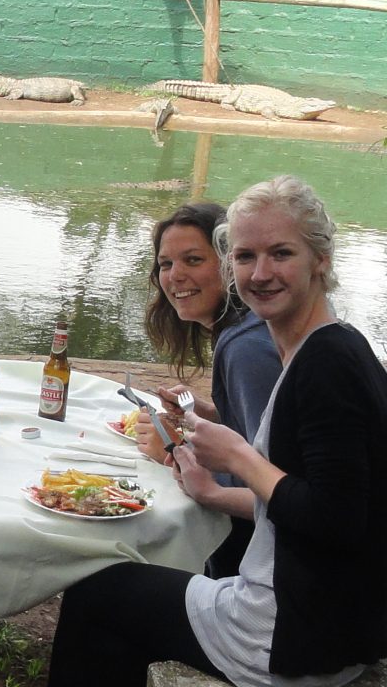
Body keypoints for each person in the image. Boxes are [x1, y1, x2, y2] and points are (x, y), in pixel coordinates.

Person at [49, 175, 387, 686]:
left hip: (296, 634)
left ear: (321, 259)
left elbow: (337, 518)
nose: (261, 273)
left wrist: (235, 461)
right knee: (117, 597)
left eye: (281, 254)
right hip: (334, 616)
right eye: (246, 257)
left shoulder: (325, 362)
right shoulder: (331, 344)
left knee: (96, 594)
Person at [137, 202, 282, 577]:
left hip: (260, 569)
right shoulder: (244, 332)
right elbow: (267, 432)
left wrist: (174, 449)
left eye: (193, 260)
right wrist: (207, 413)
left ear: (229, 263)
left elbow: (277, 485)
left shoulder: (245, 346)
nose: (175, 276)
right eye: (166, 264)